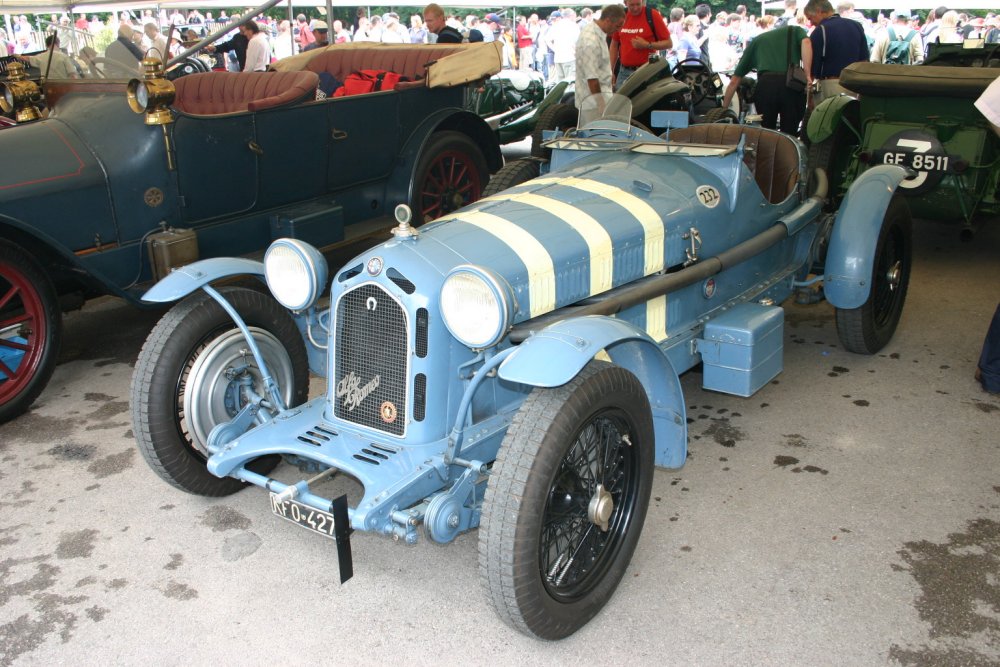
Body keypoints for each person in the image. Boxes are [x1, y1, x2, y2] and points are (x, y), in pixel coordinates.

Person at [721, 24, 811, 134]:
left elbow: (734, 81)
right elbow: (806, 42)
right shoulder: (795, 30)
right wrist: (807, 75)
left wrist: (724, 109)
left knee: (767, 132)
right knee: (790, 133)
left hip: (766, 86)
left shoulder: (756, 41)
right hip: (792, 85)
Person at [804, 0, 869, 105]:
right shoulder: (856, 26)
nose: (811, 23)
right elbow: (864, 60)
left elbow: (813, 65)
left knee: (827, 120)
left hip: (830, 85)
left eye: (810, 18)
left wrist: (809, 95)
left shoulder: (820, 30)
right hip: (854, 85)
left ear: (819, 11)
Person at [610, 0, 672, 89]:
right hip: (624, 71)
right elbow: (614, 45)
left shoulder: (652, 15)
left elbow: (669, 43)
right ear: (625, 3)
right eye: (631, 5)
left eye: (638, 4)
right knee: (622, 101)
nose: (635, 8)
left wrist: (647, 45)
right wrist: (611, 70)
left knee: (646, 102)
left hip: (647, 71)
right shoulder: (621, 16)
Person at [576, 4, 627, 109]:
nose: (618, 30)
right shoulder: (591, 41)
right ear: (607, 21)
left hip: (598, 98)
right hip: (592, 104)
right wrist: (601, 105)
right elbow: (592, 79)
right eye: (617, 26)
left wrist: (608, 73)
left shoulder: (595, 31)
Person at [547, 8, 581, 84]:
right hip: (570, 57)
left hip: (558, 58)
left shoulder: (556, 25)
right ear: (571, 16)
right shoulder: (573, 25)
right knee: (571, 83)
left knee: (560, 84)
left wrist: (555, 49)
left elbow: (547, 39)